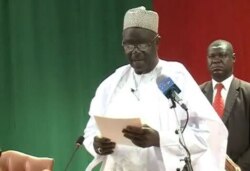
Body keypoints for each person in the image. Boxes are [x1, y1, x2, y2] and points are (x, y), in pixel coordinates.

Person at [83, 6, 228, 171]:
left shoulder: (176, 76)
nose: (135, 52)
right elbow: (92, 131)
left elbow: (205, 135)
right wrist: (97, 144)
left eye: (142, 44)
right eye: (129, 45)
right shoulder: (113, 84)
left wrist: (160, 139)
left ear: (157, 42)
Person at [200, 39, 250, 171]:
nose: (216, 60)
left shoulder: (248, 92)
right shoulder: (197, 93)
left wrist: (238, 168)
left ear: (233, 58)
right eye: (211, 56)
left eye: (222, 55)